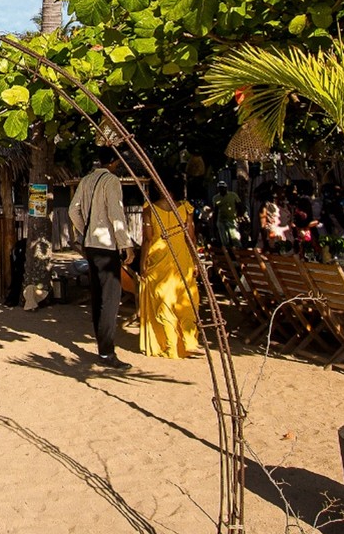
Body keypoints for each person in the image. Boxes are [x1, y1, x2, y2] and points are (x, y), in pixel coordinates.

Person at [69, 147, 138, 370]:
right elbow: (116, 215)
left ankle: (103, 348)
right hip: (106, 246)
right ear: (114, 161)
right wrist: (126, 244)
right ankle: (107, 352)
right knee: (110, 298)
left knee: (98, 296)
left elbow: (73, 211)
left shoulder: (86, 180)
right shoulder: (111, 181)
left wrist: (86, 230)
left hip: (91, 245)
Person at [138, 172, 201, 358]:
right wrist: (195, 261)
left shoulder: (149, 209)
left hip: (158, 261)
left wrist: (142, 263)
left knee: (164, 302)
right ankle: (190, 342)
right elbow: (191, 238)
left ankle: (171, 347)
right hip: (183, 260)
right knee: (186, 300)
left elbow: (147, 240)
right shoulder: (186, 209)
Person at [213, 180, 242, 250]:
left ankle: (239, 250)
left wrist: (240, 216)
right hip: (221, 219)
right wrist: (214, 222)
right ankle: (227, 251)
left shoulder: (233, 195)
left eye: (223, 187)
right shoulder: (216, 198)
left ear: (226, 188)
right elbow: (216, 210)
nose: (222, 189)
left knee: (234, 236)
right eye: (220, 188)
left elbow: (240, 205)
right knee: (224, 238)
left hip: (232, 219)